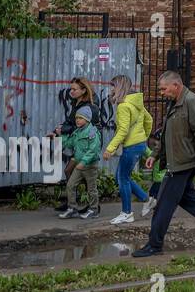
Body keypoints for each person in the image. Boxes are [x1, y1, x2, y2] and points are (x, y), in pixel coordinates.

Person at [133, 71, 195, 257]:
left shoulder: (191, 102)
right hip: (176, 160)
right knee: (188, 199)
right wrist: (156, 154)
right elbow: (167, 133)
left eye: (163, 88)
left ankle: (154, 245)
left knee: (163, 205)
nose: (161, 92)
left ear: (176, 85)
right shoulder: (174, 103)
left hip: (183, 163)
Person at [103, 75, 153, 224]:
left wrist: (110, 149)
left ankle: (126, 213)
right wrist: (142, 137)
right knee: (122, 176)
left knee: (122, 178)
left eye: (113, 86)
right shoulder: (136, 103)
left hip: (131, 147)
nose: (111, 89)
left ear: (118, 87)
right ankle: (146, 199)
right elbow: (148, 120)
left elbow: (123, 130)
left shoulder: (123, 106)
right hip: (140, 144)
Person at [51, 77, 97, 212]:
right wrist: (56, 132)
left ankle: (93, 205)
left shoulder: (89, 106)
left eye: (74, 89)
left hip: (87, 146)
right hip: (78, 144)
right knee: (69, 171)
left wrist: (63, 130)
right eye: (71, 88)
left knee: (84, 176)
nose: (71, 91)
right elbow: (70, 122)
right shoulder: (76, 103)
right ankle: (72, 201)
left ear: (83, 90)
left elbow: (84, 127)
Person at [57, 106, 101, 219]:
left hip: (89, 165)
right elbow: (69, 144)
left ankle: (94, 210)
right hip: (79, 164)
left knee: (91, 188)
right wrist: (61, 135)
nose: (77, 120)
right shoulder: (77, 132)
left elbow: (94, 150)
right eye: (76, 118)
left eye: (80, 118)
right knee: (71, 185)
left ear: (87, 119)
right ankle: (72, 209)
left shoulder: (92, 132)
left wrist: (84, 161)